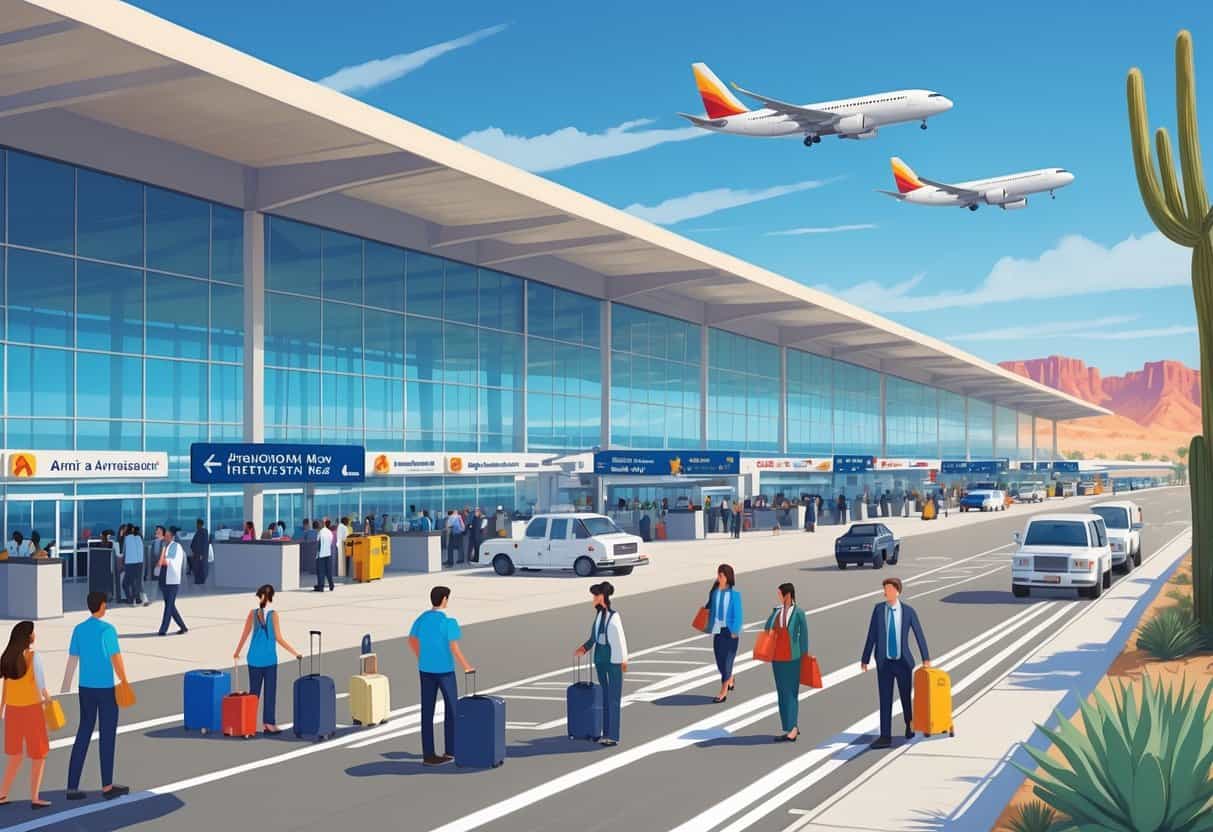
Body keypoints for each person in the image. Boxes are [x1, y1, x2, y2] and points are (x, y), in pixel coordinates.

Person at [61, 592, 131, 801]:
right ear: (101, 606)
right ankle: (107, 786)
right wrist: (124, 680)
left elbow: (73, 659)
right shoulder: (108, 630)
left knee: (83, 732)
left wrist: (66, 684)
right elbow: (115, 659)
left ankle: (72, 786)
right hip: (105, 689)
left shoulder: (79, 629)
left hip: (85, 688)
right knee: (107, 736)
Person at [861, 577, 931, 749]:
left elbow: (919, 634)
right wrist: (865, 658)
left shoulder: (908, 612)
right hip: (884, 662)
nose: (886, 592)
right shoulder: (878, 610)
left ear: (897, 591)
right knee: (884, 699)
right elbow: (872, 635)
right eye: (885, 589)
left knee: (906, 696)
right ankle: (885, 735)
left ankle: (910, 724)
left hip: (903, 662)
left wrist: (926, 657)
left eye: (889, 589)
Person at [408, 586, 474, 766]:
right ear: (444, 599)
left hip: (425, 670)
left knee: (427, 711)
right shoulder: (449, 622)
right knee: (452, 709)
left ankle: (428, 755)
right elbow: (454, 648)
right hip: (445, 671)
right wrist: (466, 666)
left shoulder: (421, 619)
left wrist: (421, 657)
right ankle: (450, 750)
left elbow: (412, 640)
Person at [232, 585, 301, 734]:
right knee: (270, 692)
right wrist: (295, 653)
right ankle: (268, 724)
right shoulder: (274, 615)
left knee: (254, 694)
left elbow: (244, 635)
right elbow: (278, 638)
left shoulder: (252, 614)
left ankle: (248, 723)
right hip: (269, 660)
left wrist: (237, 652)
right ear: (271, 598)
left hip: (254, 659)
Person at [0, 621, 52, 808]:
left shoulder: (7, 657)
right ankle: (35, 798)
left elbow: (5, 687)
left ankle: (2, 794)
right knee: (39, 755)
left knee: (15, 755)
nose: (34, 635)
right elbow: (41, 685)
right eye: (33, 632)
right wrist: (48, 699)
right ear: (28, 637)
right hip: (31, 710)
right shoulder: (33, 657)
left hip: (12, 711)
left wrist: (2, 709)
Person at [575, 581, 628, 747]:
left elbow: (619, 641)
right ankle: (604, 732)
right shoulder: (598, 616)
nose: (593, 599)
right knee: (604, 697)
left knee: (613, 699)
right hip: (600, 660)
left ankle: (613, 735)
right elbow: (593, 638)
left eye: (595, 596)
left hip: (613, 661)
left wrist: (622, 661)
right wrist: (583, 649)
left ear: (602, 597)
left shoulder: (614, 617)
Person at [765, 582, 809, 742]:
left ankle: (793, 728)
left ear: (788, 595)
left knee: (791, 692)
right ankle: (789, 726)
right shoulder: (776, 611)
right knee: (782, 692)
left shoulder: (799, 613)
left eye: (780, 594)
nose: (778, 597)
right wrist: (773, 617)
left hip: (793, 657)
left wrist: (804, 656)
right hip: (777, 658)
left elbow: (803, 636)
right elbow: (766, 628)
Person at [706, 564, 743, 703]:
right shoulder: (715, 592)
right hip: (718, 630)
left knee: (727, 661)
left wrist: (735, 630)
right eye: (718, 575)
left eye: (721, 575)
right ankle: (730, 677)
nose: (718, 578)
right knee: (719, 661)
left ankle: (723, 690)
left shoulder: (735, 595)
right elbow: (709, 606)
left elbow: (738, 614)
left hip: (731, 632)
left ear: (727, 577)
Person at [155, 526, 188, 636]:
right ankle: (183, 627)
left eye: (168, 536)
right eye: (166, 535)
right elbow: (161, 562)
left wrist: (163, 553)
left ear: (173, 537)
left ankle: (163, 629)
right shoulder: (166, 546)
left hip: (172, 580)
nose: (166, 537)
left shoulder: (175, 546)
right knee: (170, 605)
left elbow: (166, 561)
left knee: (169, 606)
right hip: (165, 578)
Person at [122, 526, 147, 606]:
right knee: (136, 582)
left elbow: (123, 551)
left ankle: (132, 600)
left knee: (128, 583)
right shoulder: (139, 539)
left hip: (130, 563)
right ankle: (137, 599)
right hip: (139, 563)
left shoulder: (127, 538)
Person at [315, 519, 334, 592]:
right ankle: (331, 585)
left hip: (321, 555)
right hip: (328, 554)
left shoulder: (320, 532)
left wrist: (317, 554)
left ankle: (321, 587)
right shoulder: (329, 532)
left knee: (321, 572)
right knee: (329, 571)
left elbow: (318, 544)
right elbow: (331, 542)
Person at [190, 519, 209, 586]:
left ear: (200, 524)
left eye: (197, 524)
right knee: (197, 567)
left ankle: (200, 580)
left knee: (200, 567)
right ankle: (198, 580)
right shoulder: (199, 532)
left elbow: (204, 544)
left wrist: (202, 554)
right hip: (197, 554)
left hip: (200, 554)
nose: (196, 525)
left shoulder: (203, 532)